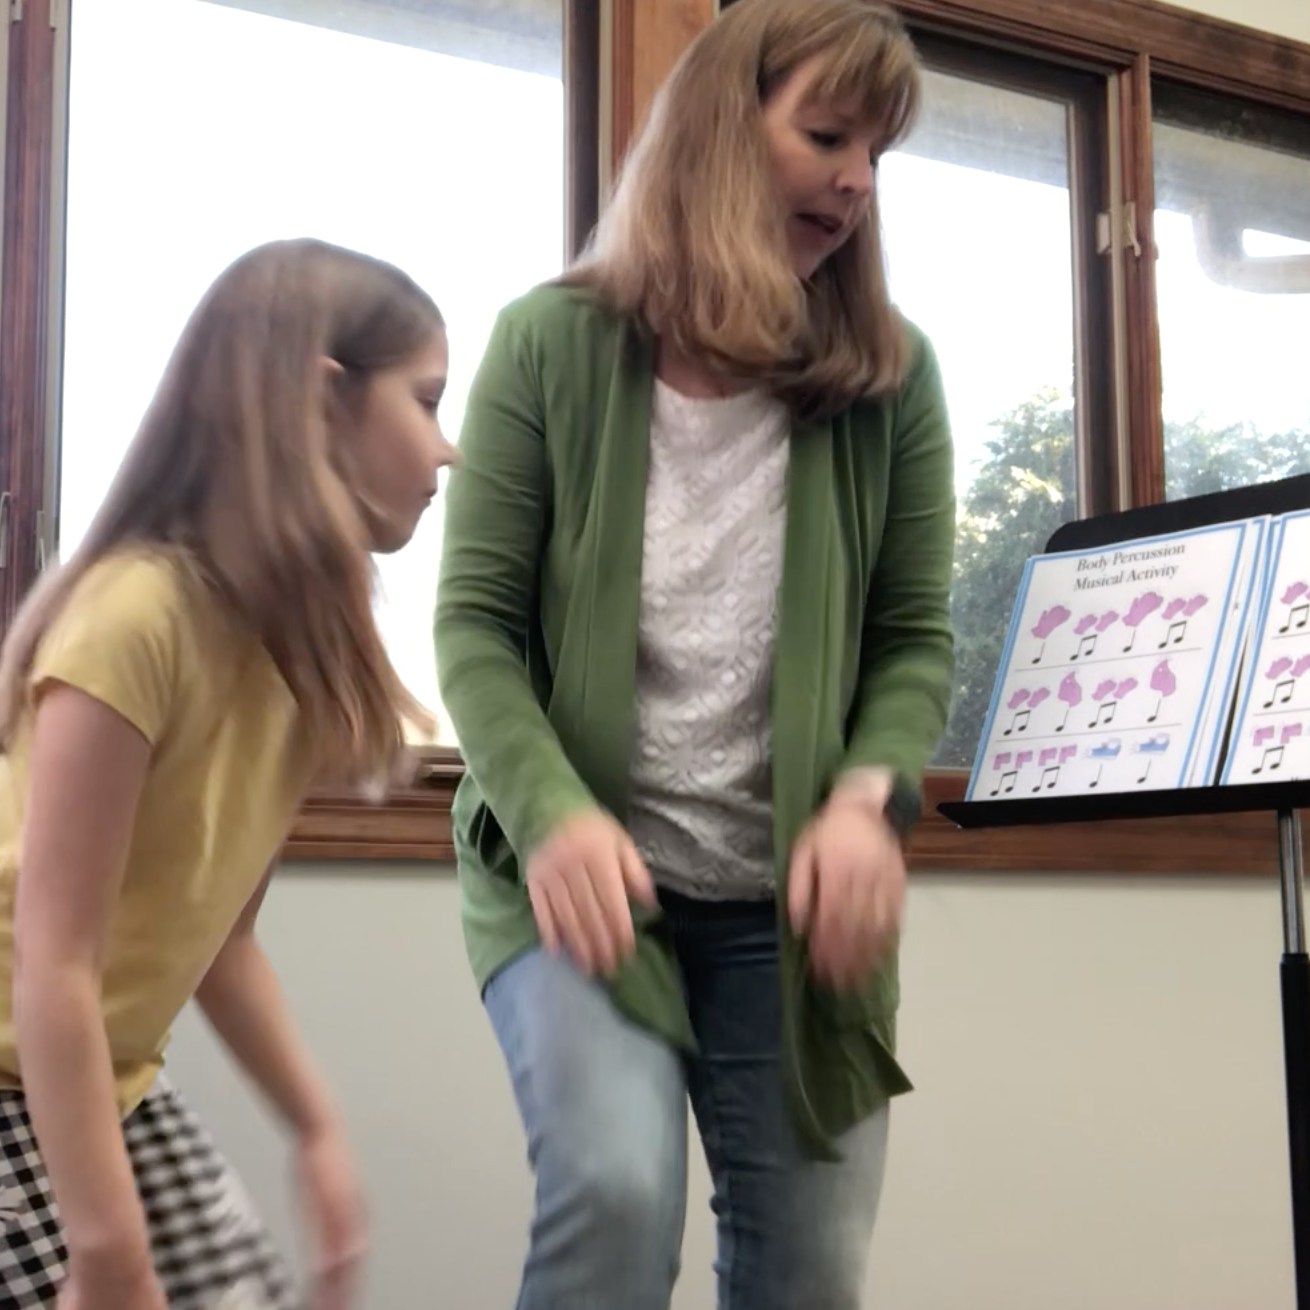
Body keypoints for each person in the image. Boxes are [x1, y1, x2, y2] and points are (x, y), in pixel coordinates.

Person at [435, 0, 955, 1305]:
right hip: (583, 890)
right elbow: (476, 631)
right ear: (724, 128)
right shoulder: (545, 344)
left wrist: (860, 797)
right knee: (615, 1200)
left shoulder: (893, 379)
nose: (853, 179)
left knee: (810, 1271)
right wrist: (549, 815)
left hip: (785, 916)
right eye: (826, 132)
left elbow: (909, 640)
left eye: (875, 152)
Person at [0, 238, 456, 1310]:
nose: (446, 450)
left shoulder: (295, 659)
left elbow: (224, 943)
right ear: (323, 402)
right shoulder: (135, 614)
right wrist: (106, 1243)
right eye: (428, 400)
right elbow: (54, 961)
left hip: (99, 1080)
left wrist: (318, 1127)